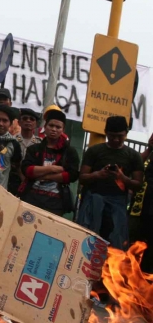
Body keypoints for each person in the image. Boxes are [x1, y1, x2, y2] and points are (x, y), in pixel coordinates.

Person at [77, 116, 143, 250]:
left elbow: (138, 184)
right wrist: (98, 174)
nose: (116, 140)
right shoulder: (94, 151)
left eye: (120, 136)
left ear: (126, 133)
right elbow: (82, 177)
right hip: (93, 202)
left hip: (117, 206)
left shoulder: (133, 156)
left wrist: (122, 177)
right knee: (86, 242)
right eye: (112, 136)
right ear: (106, 132)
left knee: (115, 246)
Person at [19, 110, 79, 216]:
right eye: (51, 125)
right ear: (45, 127)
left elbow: (72, 175)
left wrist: (44, 175)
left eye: (58, 127)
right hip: (31, 198)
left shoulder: (70, 152)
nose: (54, 129)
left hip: (56, 204)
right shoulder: (34, 148)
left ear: (63, 130)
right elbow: (27, 170)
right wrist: (52, 169)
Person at [129, 132, 153, 272]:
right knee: (133, 241)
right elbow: (136, 165)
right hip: (141, 205)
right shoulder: (148, 156)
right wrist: (149, 149)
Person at [8, 108, 42, 195]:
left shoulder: (40, 143)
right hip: (12, 181)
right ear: (19, 122)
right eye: (25, 118)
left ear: (36, 124)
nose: (28, 121)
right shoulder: (11, 140)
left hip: (32, 184)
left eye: (32, 119)